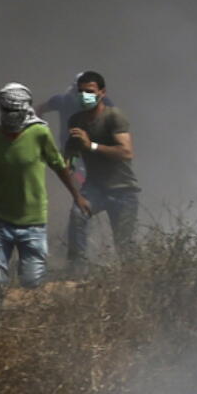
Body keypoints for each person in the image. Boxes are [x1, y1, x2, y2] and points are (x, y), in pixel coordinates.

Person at [0, 83, 90, 299]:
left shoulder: (40, 134)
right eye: (7, 110)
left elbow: (59, 166)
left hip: (33, 224)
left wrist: (77, 196)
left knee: (31, 282)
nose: (11, 115)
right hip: (0, 222)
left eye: (15, 111)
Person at [64, 71, 139, 271]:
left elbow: (126, 151)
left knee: (124, 244)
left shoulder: (114, 117)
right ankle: (76, 269)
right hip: (94, 187)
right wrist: (66, 162)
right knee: (77, 215)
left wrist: (92, 146)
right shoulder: (76, 120)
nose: (83, 96)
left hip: (122, 189)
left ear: (102, 92)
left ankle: (133, 279)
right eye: (80, 92)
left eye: (89, 91)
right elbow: (71, 149)